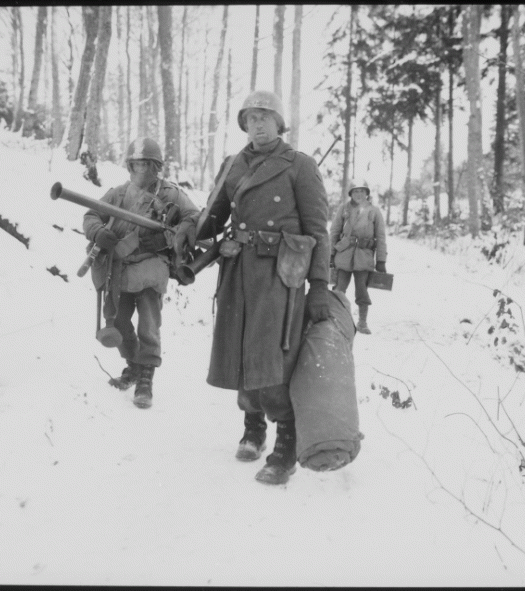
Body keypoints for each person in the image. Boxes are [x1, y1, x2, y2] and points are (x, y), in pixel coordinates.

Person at [197, 90, 331, 485]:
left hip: (281, 272)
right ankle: (253, 428)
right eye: (250, 117)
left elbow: (318, 230)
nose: (257, 124)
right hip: (238, 268)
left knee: (273, 354)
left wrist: (320, 284)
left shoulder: (299, 166)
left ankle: (286, 445)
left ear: (279, 123)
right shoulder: (232, 165)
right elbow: (212, 216)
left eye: (265, 117)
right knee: (240, 349)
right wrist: (185, 230)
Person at [83, 137, 200, 409]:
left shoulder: (171, 194)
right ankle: (134, 365)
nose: (140, 171)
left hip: (151, 267)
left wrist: (169, 239)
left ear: (156, 167)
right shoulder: (118, 193)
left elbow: (193, 219)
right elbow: (91, 215)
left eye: (146, 165)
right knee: (118, 322)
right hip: (119, 268)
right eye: (135, 165)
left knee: (148, 324)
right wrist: (99, 232)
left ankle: (146, 376)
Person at [329, 181, 387, 334]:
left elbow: (381, 237)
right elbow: (334, 232)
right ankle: (336, 321)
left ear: (367, 193)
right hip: (344, 255)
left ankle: (362, 322)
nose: (359, 194)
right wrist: (330, 254)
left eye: (362, 191)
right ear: (350, 194)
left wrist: (381, 260)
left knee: (362, 291)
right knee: (339, 290)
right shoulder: (344, 209)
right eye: (355, 192)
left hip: (364, 256)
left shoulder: (374, 211)